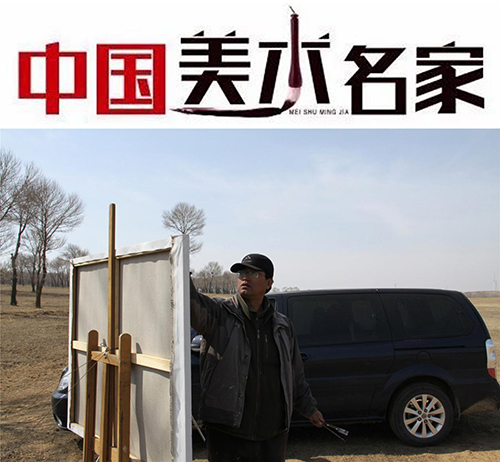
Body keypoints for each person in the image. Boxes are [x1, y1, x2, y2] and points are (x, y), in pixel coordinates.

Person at [190, 253, 325, 462]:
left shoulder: (282, 326)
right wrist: (181, 270)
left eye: (253, 273)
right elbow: (190, 305)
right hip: (227, 431)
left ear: (269, 283)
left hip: (272, 433)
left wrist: (309, 408)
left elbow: (295, 375)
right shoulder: (219, 315)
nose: (245, 277)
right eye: (241, 273)